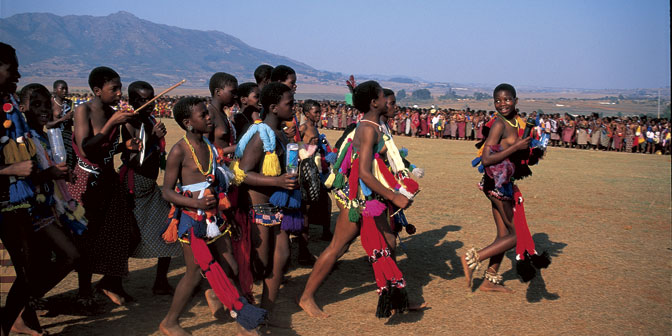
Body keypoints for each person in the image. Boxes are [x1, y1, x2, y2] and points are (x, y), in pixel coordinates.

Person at [299, 82, 425, 318]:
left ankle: (397, 298)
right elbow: (365, 172)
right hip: (358, 201)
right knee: (338, 247)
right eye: (382, 96)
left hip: (372, 198)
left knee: (389, 243)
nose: (388, 101)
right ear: (374, 103)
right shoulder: (368, 128)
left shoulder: (377, 125)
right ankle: (306, 297)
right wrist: (394, 196)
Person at [159, 97, 263, 336]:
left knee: (231, 266)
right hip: (191, 221)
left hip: (215, 219)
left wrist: (227, 216)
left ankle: (242, 319)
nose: (209, 117)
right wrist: (195, 203)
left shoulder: (208, 146)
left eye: (208, 113)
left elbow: (215, 184)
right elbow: (166, 191)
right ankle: (170, 322)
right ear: (188, 123)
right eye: (203, 115)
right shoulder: (179, 151)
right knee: (194, 272)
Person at [462, 83, 549, 293]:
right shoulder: (499, 124)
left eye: (507, 99)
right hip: (496, 183)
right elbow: (487, 159)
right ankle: (475, 258)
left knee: (503, 234)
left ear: (516, 101)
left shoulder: (516, 123)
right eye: (498, 101)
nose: (503, 104)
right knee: (516, 235)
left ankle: (489, 280)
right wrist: (516, 146)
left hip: (503, 182)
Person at [69, 66, 141, 306]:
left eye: (120, 87)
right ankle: (84, 293)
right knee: (87, 237)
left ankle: (110, 282)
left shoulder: (114, 112)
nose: (120, 93)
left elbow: (106, 151)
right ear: (97, 90)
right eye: (114, 89)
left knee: (125, 233)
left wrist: (125, 146)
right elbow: (87, 147)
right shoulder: (83, 110)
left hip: (109, 181)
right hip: (87, 182)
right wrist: (112, 123)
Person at [229, 82, 297, 325]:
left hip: (277, 207)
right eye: (289, 103)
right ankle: (245, 313)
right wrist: (278, 181)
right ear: (273, 107)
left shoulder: (278, 134)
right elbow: (242, 173)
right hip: (259, 209)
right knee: (259, 265)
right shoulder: (260, 135)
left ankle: (267, 311)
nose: (294, 107)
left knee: (281, 258)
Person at [121, 81, 181, 295]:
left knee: (168, 228)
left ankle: (160, 281)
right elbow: (134, 160)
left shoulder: (150, 120)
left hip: (149, 187)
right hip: (134, 187)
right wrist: (153, 138)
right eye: (143, 100)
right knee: (129, 236)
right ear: (132, 101)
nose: (150, 103)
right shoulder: (129, 124)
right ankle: (113, 282)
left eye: (152, 98)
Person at [299, 99, 333, 241]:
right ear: (307, 114)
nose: (319, 115)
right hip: (307, 169)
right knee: (306, 206)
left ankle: (326, 232)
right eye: (316, 112)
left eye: (320, 112)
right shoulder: (303, 128)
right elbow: (296, 145)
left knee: (325, 201)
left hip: (317, 168)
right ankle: (302, 239)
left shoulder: (315, 128)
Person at [206, 72, 238, 164]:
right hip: (216, 168)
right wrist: (234, 148)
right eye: (232, 92)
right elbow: (204, 148)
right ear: (218, 92)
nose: (235, 96)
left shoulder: (222, 113)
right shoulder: (210, 115)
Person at [48, 80, 76, 170]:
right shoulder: (50, 104)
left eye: (66, 89)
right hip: (55, 139)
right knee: (60, 164)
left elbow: (70, 121)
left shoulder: (69, 103)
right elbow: (48, 125)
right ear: (55, 90)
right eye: (62, 89)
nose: (65, 91)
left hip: (68, 136)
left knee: (71, 164)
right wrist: (63, 118)